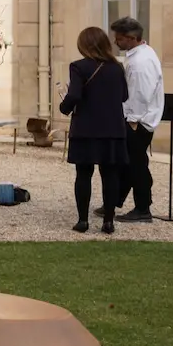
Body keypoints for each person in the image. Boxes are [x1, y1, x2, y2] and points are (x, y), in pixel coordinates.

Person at [60, 26, 130, 235]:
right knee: (110, 174)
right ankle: (108, 221)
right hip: (112, 128)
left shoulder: (79, 67)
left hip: (86, 128)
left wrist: (64, 107)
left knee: (83, 174)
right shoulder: (117, 68)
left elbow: (74, 96)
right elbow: (124, 96)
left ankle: (82, 221)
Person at [112, 16, 165, 223]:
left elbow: (140, 94)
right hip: (138, 119)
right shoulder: (139, 56)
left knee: (136, 166)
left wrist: (131, 121)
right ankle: (116, 200)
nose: (116, 42)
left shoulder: (141, 61)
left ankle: (143, 208)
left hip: (138, 122)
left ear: (132, 38)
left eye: (120, 38)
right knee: (129, 163)